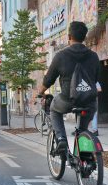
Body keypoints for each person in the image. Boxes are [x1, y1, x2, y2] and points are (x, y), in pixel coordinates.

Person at [37, 21, 100, 155]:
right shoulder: (94, 56)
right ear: (84, 37)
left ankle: (61, 139)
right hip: (89, 101)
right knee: (83, 129)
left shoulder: (61, 56)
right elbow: (95, 79)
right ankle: (85, 157)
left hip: (67, 100)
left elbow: (49, 79)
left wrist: (40, 92)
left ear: (69, 37)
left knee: (54, 109)